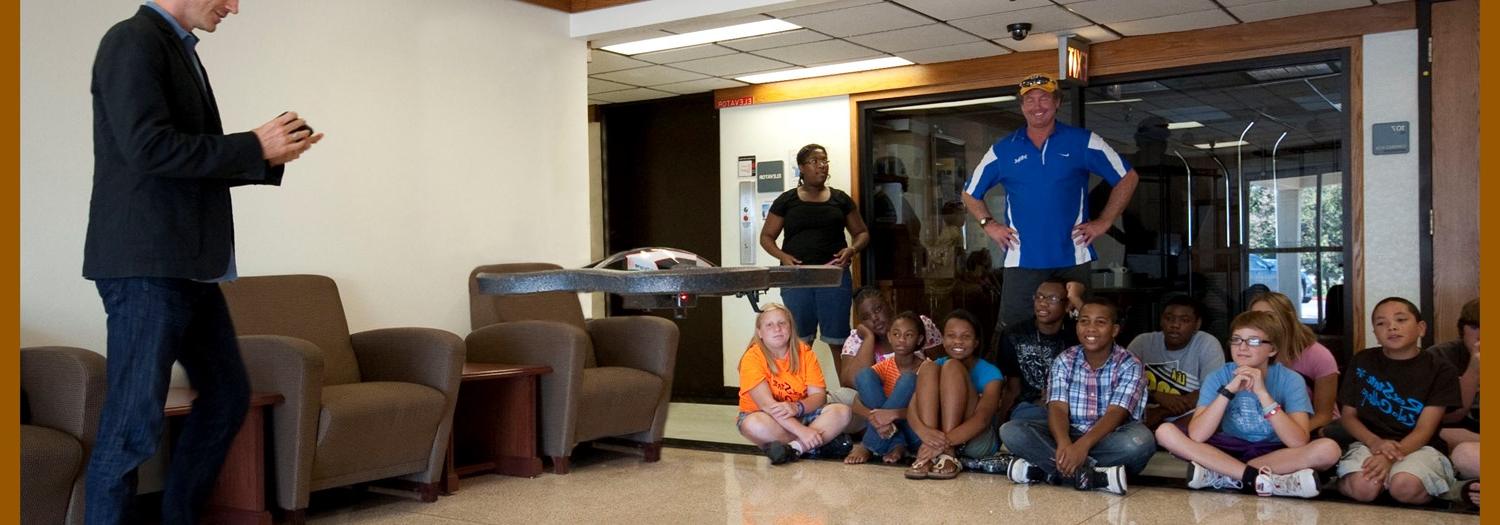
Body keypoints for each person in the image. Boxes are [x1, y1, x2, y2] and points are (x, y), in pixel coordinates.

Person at [83, 2, 323, 523]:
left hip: (187, 266)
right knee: (130, 429)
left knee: (227, 396)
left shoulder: (178, 49)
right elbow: (148, 149)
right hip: (147, 266)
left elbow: (182, 159)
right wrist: (251, 145)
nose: (234, 6)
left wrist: (264, 157)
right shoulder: (133, 40)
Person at [961, 73, 1140, 330]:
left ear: (1057, 102)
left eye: (1044, 98)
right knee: (1013, 333)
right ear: (1022, 107)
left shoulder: (1082, 141)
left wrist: (1104, 222)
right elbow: (969, 192)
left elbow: (1127, 178)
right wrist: (988, 224)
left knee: (1080, 331)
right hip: (1022, 259)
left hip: (1072, 256)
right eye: (1030, 100)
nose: (1037, 106)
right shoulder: (1004, 149)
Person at [1154, 311, 1341, 498]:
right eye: (1236, 340)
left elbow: (1298, 440)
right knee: (1165, 432)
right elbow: (1198, 435)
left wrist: (1263, 394)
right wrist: (1228, 392)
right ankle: (1263, 479)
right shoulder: (1218, 376)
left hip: (1275, 452)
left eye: (1253, 341)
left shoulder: (1291, 379)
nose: (1242, 347)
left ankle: (1225, 475)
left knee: (1328, 449)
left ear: (1273, 349)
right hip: (1228, 449)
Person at [995, 297, 1151, 495]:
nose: (1090, 328)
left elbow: (1116, 413)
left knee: (1140, 442)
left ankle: (1047, 471)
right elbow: (1058, 407)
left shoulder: (1130, 363)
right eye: (1084, 321)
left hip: (1109, 437)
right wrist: (1064, 444)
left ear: (1115, 330)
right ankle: (1093, 476)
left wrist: (1081, 448)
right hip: (1070, 432)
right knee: (1012, 430)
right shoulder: (1065, 359)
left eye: (1100, 322)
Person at [1335, 298, 1462, 505]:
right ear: (1375, 334)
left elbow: (1424, 429)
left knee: (1404, 487)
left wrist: (1390, 457)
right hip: (1369, 442)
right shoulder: (1362, 361)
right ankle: (1341, 482)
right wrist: (1375, 443)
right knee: (1364, 488)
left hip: (1420, 446)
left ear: (1421, 328)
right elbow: (1348, 417)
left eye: (1401, 320)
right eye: (1381, 323)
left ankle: (1426, 482)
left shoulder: (1441, 369)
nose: (1391, 327)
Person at [760, 144, 870, 356]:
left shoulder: (840, 199)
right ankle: (798, 389)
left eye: (824, 161)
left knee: (839, 340)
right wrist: (783, 257)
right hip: (795, 278)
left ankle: (845, 390)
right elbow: (766, 237)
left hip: (833, 277)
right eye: (814, 161)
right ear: (801, 167)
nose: (821, 166)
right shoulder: (787, 200)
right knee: (799, 342)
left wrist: (852, 249)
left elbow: (862, 233)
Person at [737, 304, 853, 465]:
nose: (777, 328)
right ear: (759, 332)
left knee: (842, 411)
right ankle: (819, 444)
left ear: (790, 327)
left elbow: (819, 397)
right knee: (753, 424)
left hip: (802, 414)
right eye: (769, 325)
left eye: (782, 323)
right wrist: (803, 432)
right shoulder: (752, 357)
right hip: (766, 416)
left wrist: (797, 407)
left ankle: (792, 449)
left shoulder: (805, 352)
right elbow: (767, 406)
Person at [904, 310, 1003, 480]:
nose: (958, 341)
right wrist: (926, 436)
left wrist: (944, 444)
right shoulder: (936, 364)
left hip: (975, 442)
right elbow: (913, 408)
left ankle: (947, 454)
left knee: (953, 367)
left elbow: (983, 419)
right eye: (951, 335)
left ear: (976, 342)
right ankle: (933, 456)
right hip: (934, 441)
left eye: (966, 336)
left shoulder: (991, 373)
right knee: (928, 368)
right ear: (943, 339)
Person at [1249, 292, 1341, 433]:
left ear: (1288, 318)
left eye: (1269, 316)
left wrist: (1288, 435)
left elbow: (1324, 415)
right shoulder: (1249, 352)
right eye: (1256, 317)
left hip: (1313, 429)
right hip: (1266, 430)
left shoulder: (1319, 355)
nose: (1262, 323)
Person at [1127, 295, 1224, 429]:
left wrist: (1162, 412)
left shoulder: (1207, 343)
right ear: (1161, 321)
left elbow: (1213, 391)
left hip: (1190, 416)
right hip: (1146, 415)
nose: (1174, 325)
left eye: (1184, 320)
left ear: (1197, 324)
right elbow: (1123, 385)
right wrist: (1156, 395)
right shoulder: (1142, 343)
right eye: (1168, 318)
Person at [845, 311, 928, 465]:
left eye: (908, 335)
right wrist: (876, 418)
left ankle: (868, 445)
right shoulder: (884, 367)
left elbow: (928, 410)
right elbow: (857, 403)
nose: (901, 340)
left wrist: (892, 414)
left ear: (919, 339)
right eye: (896, 334)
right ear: (889, 337)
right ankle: (897, 443)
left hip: (915, 430)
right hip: (887, 431)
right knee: (864, 375)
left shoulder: (927, 368)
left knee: (908, 380)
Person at [992, 278, 1079, 423]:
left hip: (1073, 407)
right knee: (1017, 428)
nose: (1043, 303)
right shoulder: (1015, 335)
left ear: (1067, 305)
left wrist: (1076, 299)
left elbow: (1101, 334)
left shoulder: (1077, 334)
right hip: (1031, 409)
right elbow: (1013, 388)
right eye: (1039, 297)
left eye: (1053, 298)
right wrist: (1000, 426)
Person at [1426, 298, 1479, 507]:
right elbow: (1446, 417)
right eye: (1474, 326)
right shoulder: (1439, 356)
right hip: (1457, 429)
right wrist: (1474, 369)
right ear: (1462, 329)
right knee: (1463, 453)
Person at [838, 287, 941, 389]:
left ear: (889, 305)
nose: (874, 318)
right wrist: (869, 338)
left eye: (878, 309)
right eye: (866, 317)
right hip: (877, 398)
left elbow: (940, 364)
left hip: (919, 392)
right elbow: (853, 382)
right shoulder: (857, 339)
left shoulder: (917, 325)